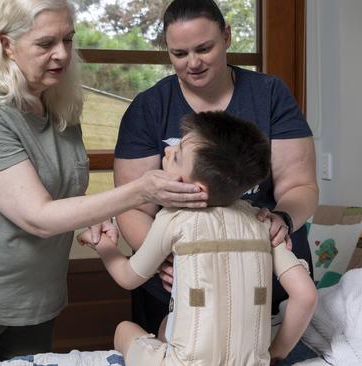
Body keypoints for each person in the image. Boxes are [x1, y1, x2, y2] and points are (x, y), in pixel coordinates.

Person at [0, 1, 207, 365]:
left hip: (32, 297)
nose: (61, 54)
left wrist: (91, 216)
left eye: (68, 40)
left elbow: (57, 191)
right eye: (46, 44)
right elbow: (37, 216)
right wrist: (142, 190)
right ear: (6, 44)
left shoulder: (56, 103)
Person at [113, 0, 319, 335]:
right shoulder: (149, 107)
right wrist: (166, 260)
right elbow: (133, 205)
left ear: (226, 35)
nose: (192, 63)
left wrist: (283, 219)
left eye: (204, 48)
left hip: (261, 274)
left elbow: (300, 187)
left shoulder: (269, 94)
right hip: (174, 283)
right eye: (179, 54)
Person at [79, 111, 317, 365]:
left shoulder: (173, 220)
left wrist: (103, 244)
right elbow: (306, 296)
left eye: (177, 154)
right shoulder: (263, 222)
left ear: (195, 187)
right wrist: (275, 353)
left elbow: (127, 277)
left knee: (124, 330)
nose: (168, 152)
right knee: (167, 324)